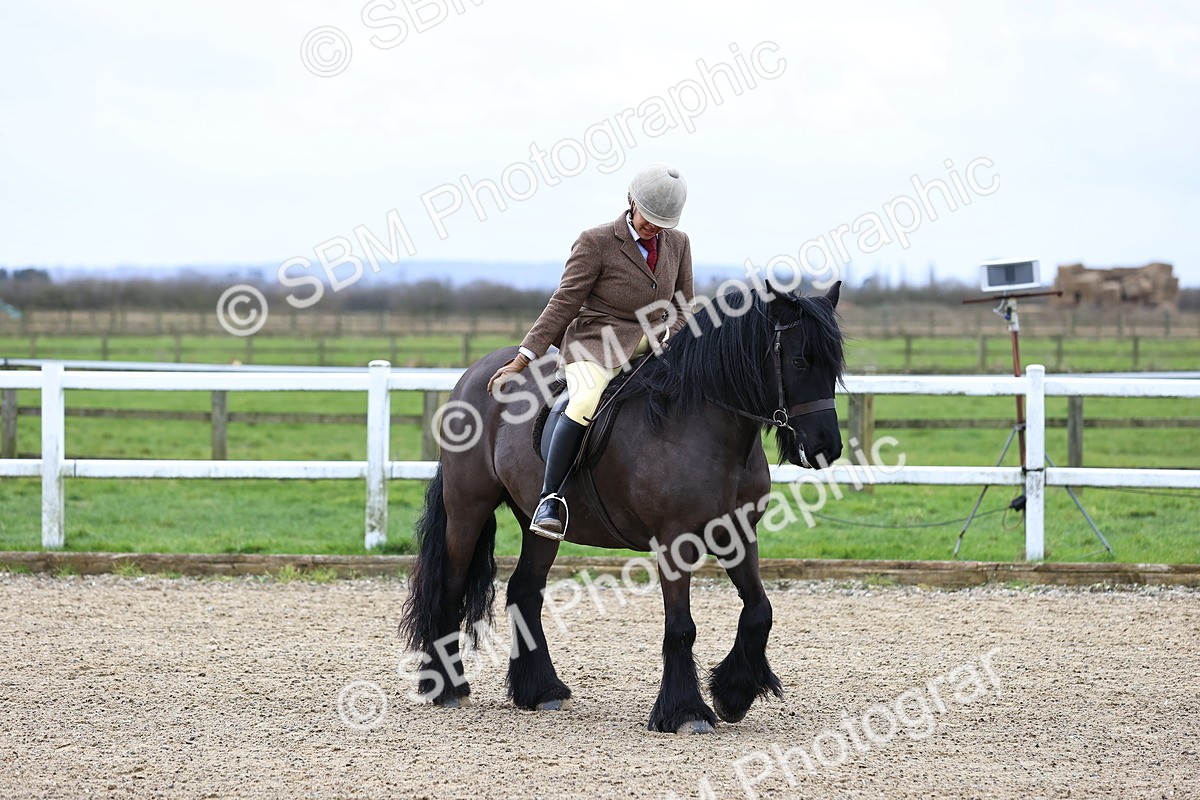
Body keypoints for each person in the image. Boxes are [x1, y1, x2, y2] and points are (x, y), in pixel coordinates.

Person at [487, 164, 694, 540]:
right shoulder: (596, 241)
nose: (655, 228)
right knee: (583, 403)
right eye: (649, 219)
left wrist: (674, 339)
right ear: (631, 201)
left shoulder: (679, 243)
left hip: (653, 339)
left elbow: (682, 303)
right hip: (596, 342)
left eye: (663, 222)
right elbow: (563, 303)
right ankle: (550, 499)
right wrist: (523, 358)